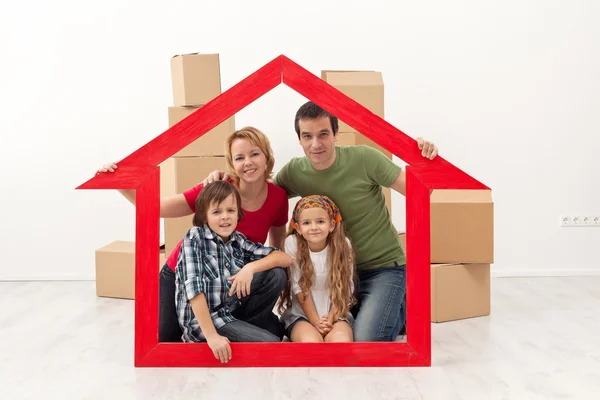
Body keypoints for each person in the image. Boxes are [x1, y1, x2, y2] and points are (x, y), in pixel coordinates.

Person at [202, 102, 439, 342]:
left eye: (323, 134)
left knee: (367, 341)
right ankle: (377, 308)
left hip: (382, 267)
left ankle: (399, 305)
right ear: (300, 140)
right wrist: (225, 179)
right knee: (334, 329)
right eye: (308, 136)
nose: (316, 144)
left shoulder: (366, 158)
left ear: (336, 134)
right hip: (332, 275)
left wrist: (423, 159)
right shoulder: (295, 171)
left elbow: (420, 191)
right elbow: (259, 189)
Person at [96, 126, 290, 342]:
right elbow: (157, 208)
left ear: (267, 157)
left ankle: (240, 325)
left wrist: (252, 268)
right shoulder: (217, 190)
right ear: (232, 164)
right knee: (167, 339)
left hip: (231, 278)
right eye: (239, 157)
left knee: (276, 275)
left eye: (255, 154)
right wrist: (121, 184)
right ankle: (220, 329)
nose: (248, 162)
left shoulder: (278, 197)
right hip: (186, 274)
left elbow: (277, 248)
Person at [176, 180, 292, 363]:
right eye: (216, 212)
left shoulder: (238, 240)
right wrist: (212, 337)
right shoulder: (195, 237)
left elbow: (284, 258)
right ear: (205, 217)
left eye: (230, 211)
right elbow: (194, 289)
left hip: (228, 309)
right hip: (204, 322)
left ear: (238, 214)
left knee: (276, 273)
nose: (225, 217)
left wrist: (250, 267)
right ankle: (239, 333)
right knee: (273, 342)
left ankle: (246, 327)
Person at [278, 195, 356, 343]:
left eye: (320, 221)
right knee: (311, 343)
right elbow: (299, 288)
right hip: (303, 316)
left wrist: (330, 319)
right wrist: (316, 322)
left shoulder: (343, 245)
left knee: (341, 342)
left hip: (336, 314)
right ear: (298, 228)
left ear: (332, 225)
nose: (314, 227)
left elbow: (346, 289)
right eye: (307, 223)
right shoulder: (293, 243)